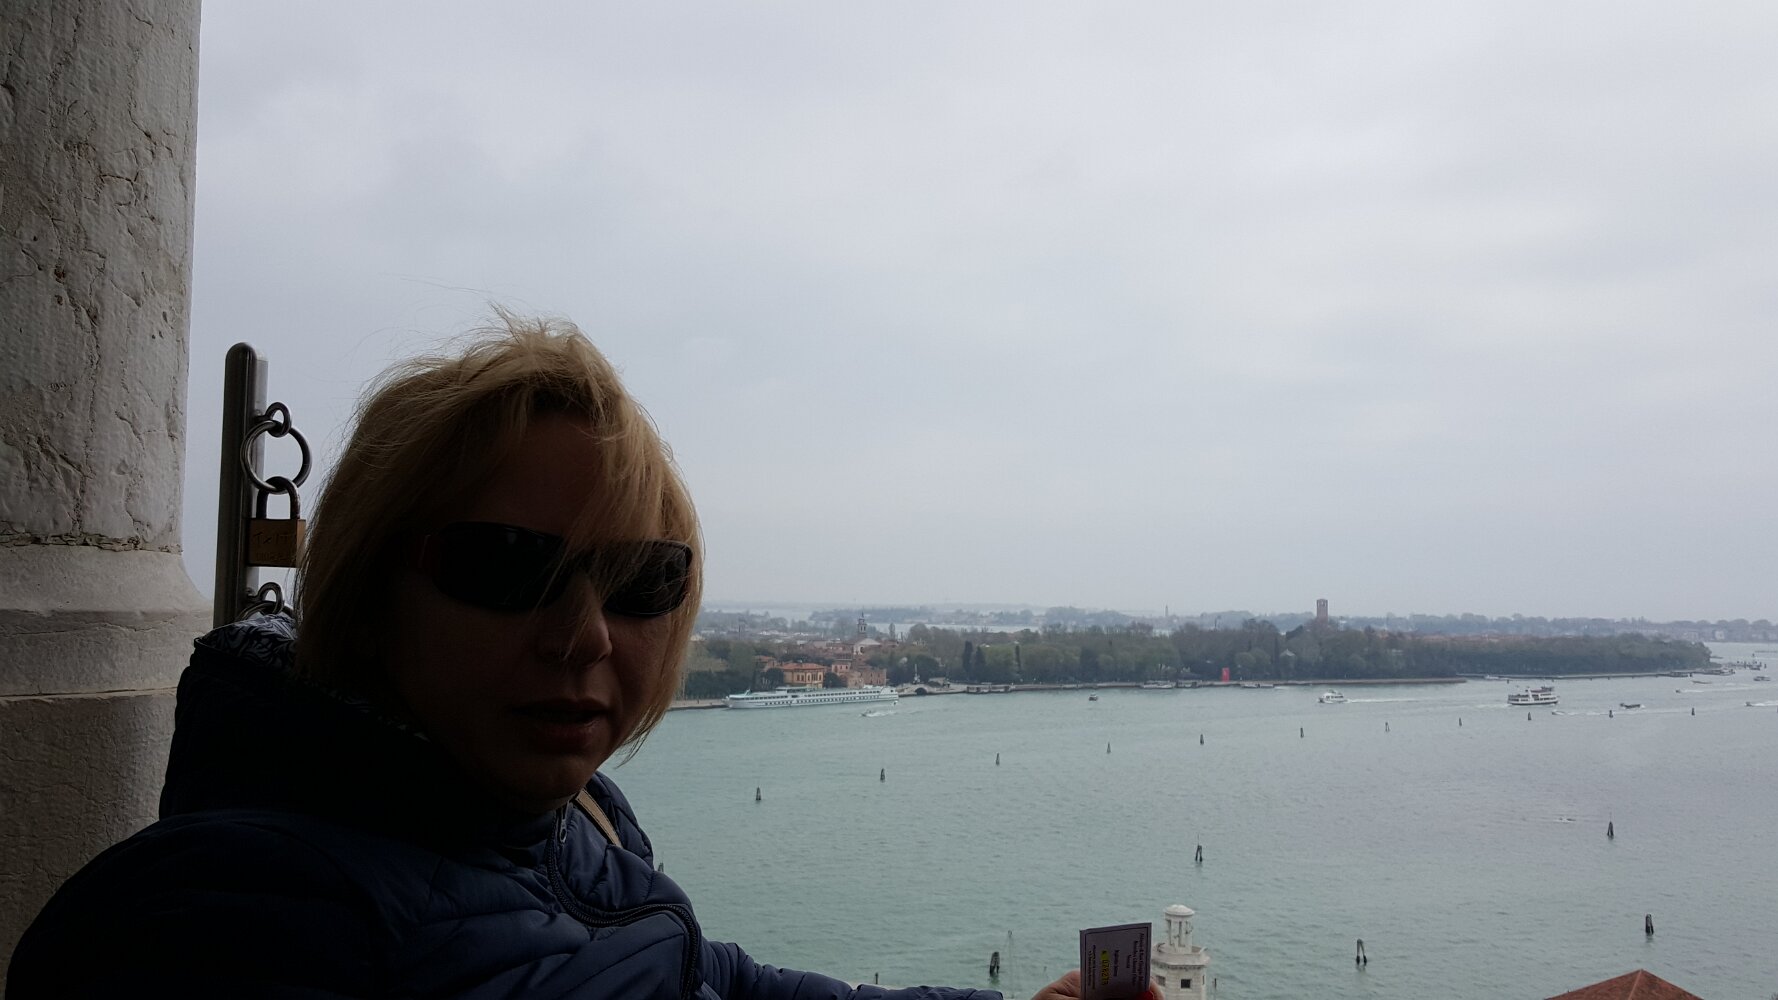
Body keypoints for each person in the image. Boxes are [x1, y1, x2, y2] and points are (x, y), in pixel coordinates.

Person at [9, 317, 1099, 1000]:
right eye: (506, 566)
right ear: (368, 590)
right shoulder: (234, 924)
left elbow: (706, 981)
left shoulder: (568, 814)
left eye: (641, 581)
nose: (584, 634)